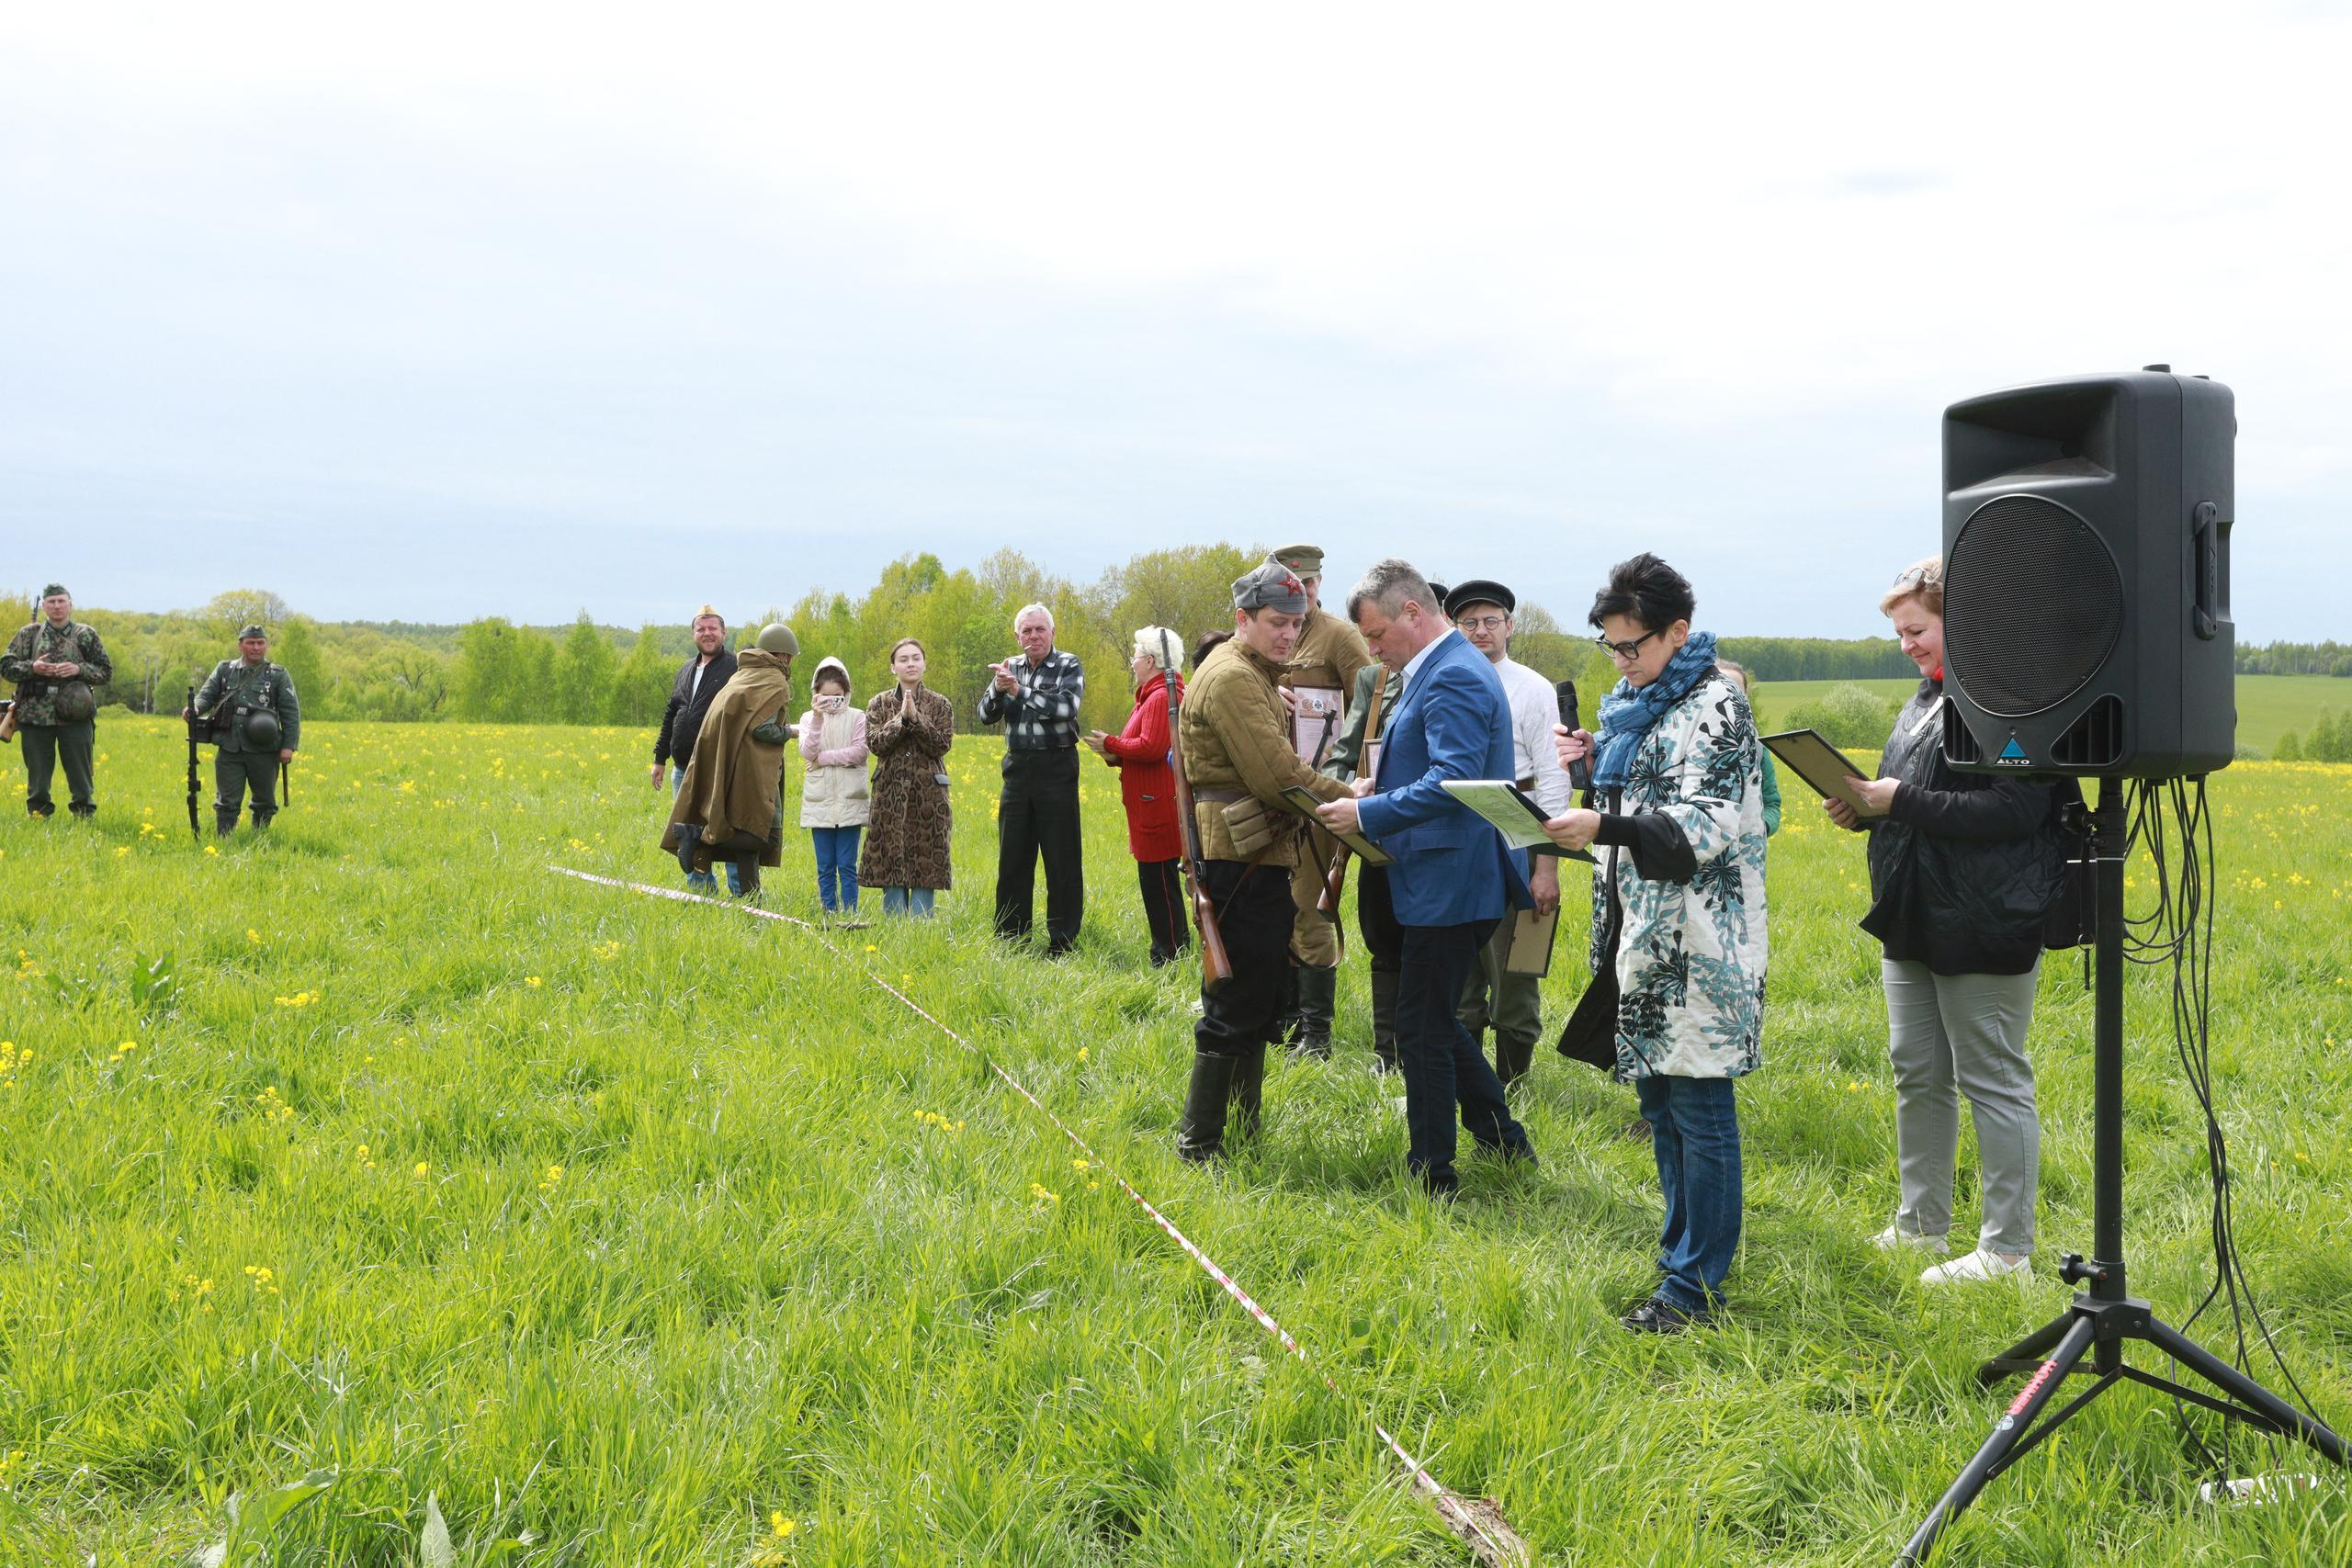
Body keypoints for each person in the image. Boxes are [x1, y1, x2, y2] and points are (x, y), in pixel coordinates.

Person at [1826, 557, 2071, 1287]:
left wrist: (1899, 801)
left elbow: (2019, 809)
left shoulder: (2011, 699)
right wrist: (1862, 808)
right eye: (1900, 633)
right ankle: (1922, 1226)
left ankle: (2007, 1252)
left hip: (1984, 921)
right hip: (1912, 914)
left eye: (1918, 629)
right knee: (1916, 1073)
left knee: (1993, 1079)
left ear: (1958, 622)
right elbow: (1907, 797)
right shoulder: (1921, 700)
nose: (1908, 644)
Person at [1544, 553, 1767, 1333]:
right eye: (1609, 645)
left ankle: (1695, 1288)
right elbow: (1646, 804)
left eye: (1631, 646)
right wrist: (1596, 779)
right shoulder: (1640, 708)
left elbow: (1701, 829)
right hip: (1641, 941)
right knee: (1662, 1108)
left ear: (1678, 631)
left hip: (1700, 948)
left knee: (1701, 1110)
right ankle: (1680, 1255)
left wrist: (1603, 822)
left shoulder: (1716, 708)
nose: (1619, 661)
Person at [1317, 559, 1536, 1197]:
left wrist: (1367, 810)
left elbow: (1453, 780)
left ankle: (1433, 1174)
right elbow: (1423, 762)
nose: (1374, 650)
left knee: (1419, 1028)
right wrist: (1374, 785)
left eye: (1379, 635)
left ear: (1414, 612)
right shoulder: (1431, 669)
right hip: (1439, 875)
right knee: (1433, 1020)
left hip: (1454, 878)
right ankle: (1504, 1141)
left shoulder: (1454, 676)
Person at [1173, 561, 1353, 1158]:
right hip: (1240, 858)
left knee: (1257, 999)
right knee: (1234, 1005)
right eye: (1277, 622)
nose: (1288, 634)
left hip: (1257, 854)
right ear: (1242, 618)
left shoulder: (1250, 671)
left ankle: (1240, 1134)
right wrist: (1349, 795)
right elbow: (1276, 776)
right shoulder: (1232, 677)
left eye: (1297, 623)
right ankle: (1200, 1144)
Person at [1445, 580, 1572, 1085]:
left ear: (1509, 626)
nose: (1480, 631)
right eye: (1469, 622)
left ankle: (1511, 1088)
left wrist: (1546, 865)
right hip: (1459, 837)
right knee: (1461, 974)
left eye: (1490, 621)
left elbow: (1555, 779)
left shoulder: (1533, 688)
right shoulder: (1445, 680)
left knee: (1516, 970)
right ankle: (1472, 1088)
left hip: (1517, 832)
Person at [1270, 544, 1375, 1057]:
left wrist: (1353, 791)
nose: (1304, 592)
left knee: (1312, 906)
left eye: (1310, 584)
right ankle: (1288, 1020)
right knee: (1279, 907)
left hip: (1323, 793)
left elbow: (1373, 708)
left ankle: (1316, 1037)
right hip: (1274, 790)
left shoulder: (1340, 637)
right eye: (1294, 583)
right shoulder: (1269, 634)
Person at [978, 603, 1086, 954]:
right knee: (1013, 858)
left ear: (1053, 633)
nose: (1033, 637)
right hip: (1017, 771)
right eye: (1026, 631)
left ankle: (1062, 941)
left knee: (1062, 859)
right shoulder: (1009, 668)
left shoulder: (1068, 664)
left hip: (1057, 768)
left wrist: (1020, 692)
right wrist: (998, 688)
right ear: (1017, 636)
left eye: (1040, 630)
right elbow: (983, 716)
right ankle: (1012, 937)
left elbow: (1065, 709)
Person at [662, 623, 797, 899]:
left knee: (749, 829)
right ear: (784, 655)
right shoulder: (774, 680)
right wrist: (791, 732)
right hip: (754, 770)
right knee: (762, 835)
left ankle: (749, 900)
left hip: (736, 763)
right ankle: (698, 837)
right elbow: (762, 728)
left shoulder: (744, 673)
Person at [1087, 626, 1191, 966]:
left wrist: (1111, 744)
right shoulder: (1154, 695)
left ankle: (1170, 953)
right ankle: (1171, 947)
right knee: (1158, 883)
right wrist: (1112, 752)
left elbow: (1152, 746)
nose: (1132, 663)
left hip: (1157, 806)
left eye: (1135, 657)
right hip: (1150, 803)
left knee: (1159, 883)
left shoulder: (1162, 697)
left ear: (1150, 660)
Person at [860, 637, 955, 917]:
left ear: (924, 664)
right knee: (891, 855)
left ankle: (921, 931)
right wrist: (900, 720)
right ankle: (895, 928)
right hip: (888, 793)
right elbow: (875, 744)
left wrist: (917, 719)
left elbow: (941, 745)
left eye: (915, 658)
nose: (910, 663)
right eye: (903, 659)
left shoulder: (940, 704)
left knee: (927, 859)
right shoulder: (878, 703)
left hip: (929, 794)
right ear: (893, 667)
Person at [2, 584, 112, 820]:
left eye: (61, 601)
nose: (57, 606)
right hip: (35, 714)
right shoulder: (29, 634)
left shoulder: (85, 634)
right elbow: (6, 666)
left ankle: (84, 817)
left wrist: (78, 669)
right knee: (38, 775)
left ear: (70, 604)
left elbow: (105, 672)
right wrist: (32, 667)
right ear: (44, 607)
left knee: (80, 774)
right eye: (51, 602)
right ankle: (39, 816)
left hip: (75, 715)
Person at [187, 624, 301, 834]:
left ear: (266, 645)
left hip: (265, 749)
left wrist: (288, 746)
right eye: (251, 643)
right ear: (241, 645)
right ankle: (225, 840)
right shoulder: (225, 670)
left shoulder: (277, 675)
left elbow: (291, 713)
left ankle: (260, 838)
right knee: (227, 800)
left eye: (260, 643)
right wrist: (195, 707)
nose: (256, 648)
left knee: (265, 801)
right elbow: (207, 694)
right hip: (231, 746)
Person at [799, 656, 870, 917]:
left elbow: (859, 752)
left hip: (851, 799)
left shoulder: (858, 717)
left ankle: (851, 912)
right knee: (825, 865)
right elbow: (807, 751)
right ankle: (829, 911)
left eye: (837, 696)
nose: (831, 702)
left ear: (847, 693)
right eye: (825, 697)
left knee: (847, 864)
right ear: (815, 694)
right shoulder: (808, 719)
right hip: (820, 802)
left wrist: (823, 760)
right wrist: (818, 718)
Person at [653, 607, 736, 793]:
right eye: (701, 629)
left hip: (716, 772)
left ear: (724, 632)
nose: (707, 633)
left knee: (711, 823)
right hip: (681, 769)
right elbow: (671, 714)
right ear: (693, 634)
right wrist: (660, 759)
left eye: (712, 628)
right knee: (681, 822)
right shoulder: (685, 669)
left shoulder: (736, 668)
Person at [1714, 659, 1781, 836]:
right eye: (1721, 692)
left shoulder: (1757, 749)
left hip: (1746, 857)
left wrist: (1759, 828)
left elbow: (1771, 804)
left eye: (1737, 694)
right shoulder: (1682, 743)